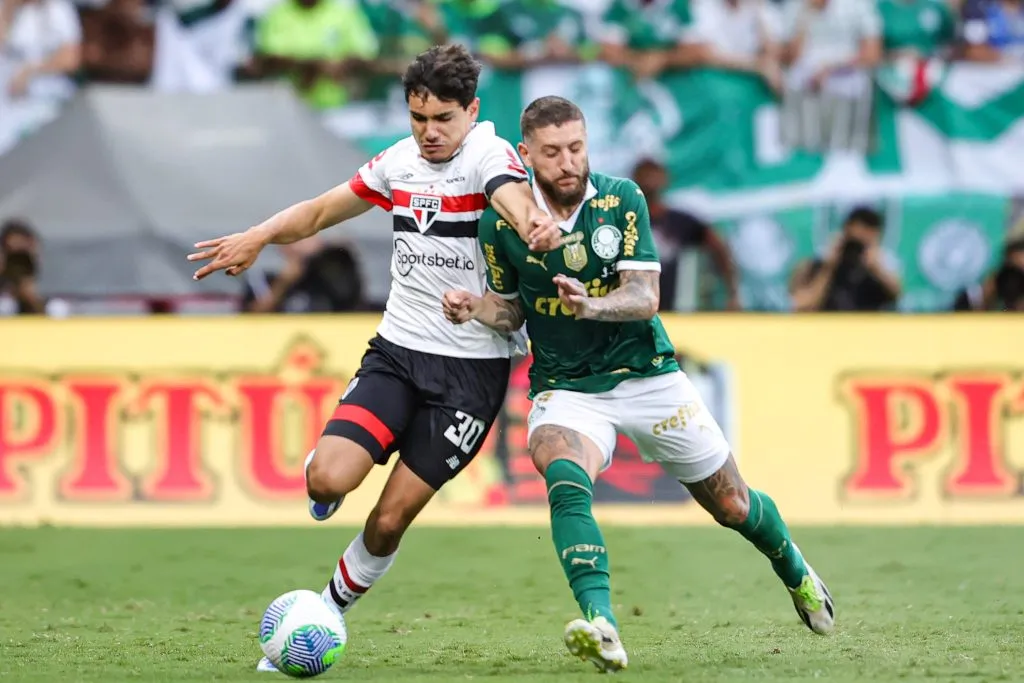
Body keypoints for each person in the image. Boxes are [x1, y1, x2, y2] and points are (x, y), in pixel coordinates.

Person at [185, 44, 561, 674]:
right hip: (399, 353)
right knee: (327, 480)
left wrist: (534, 227)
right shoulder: (398, 162)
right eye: (419, 118)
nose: (430, 132)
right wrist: (258, 236)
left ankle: (324, 615)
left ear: (472, 111)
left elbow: (511, 198)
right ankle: (324, 475)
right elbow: (318, 212)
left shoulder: (489, 157)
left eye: (443, 118)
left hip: (470, 377)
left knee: (388, 521)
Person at [442, 96, 835, 674]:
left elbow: (644, 297)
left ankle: (795, 569)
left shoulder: (621, 200)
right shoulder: (501, 222)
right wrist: (473, 307)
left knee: (731, 504)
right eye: (551, 153)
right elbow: (509, 313)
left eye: (576, 147)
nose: (567, 162)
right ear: (526, 155)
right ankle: (602, 624)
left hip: (648, 377)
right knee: (561, 468)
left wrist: (591, 306)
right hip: (567, 387)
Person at [789, 206, 902, 312]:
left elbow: (898, 295)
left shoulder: (881, 267)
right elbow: (802, 305)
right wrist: (828, 267)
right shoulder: (820, 264)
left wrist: (876, 267)